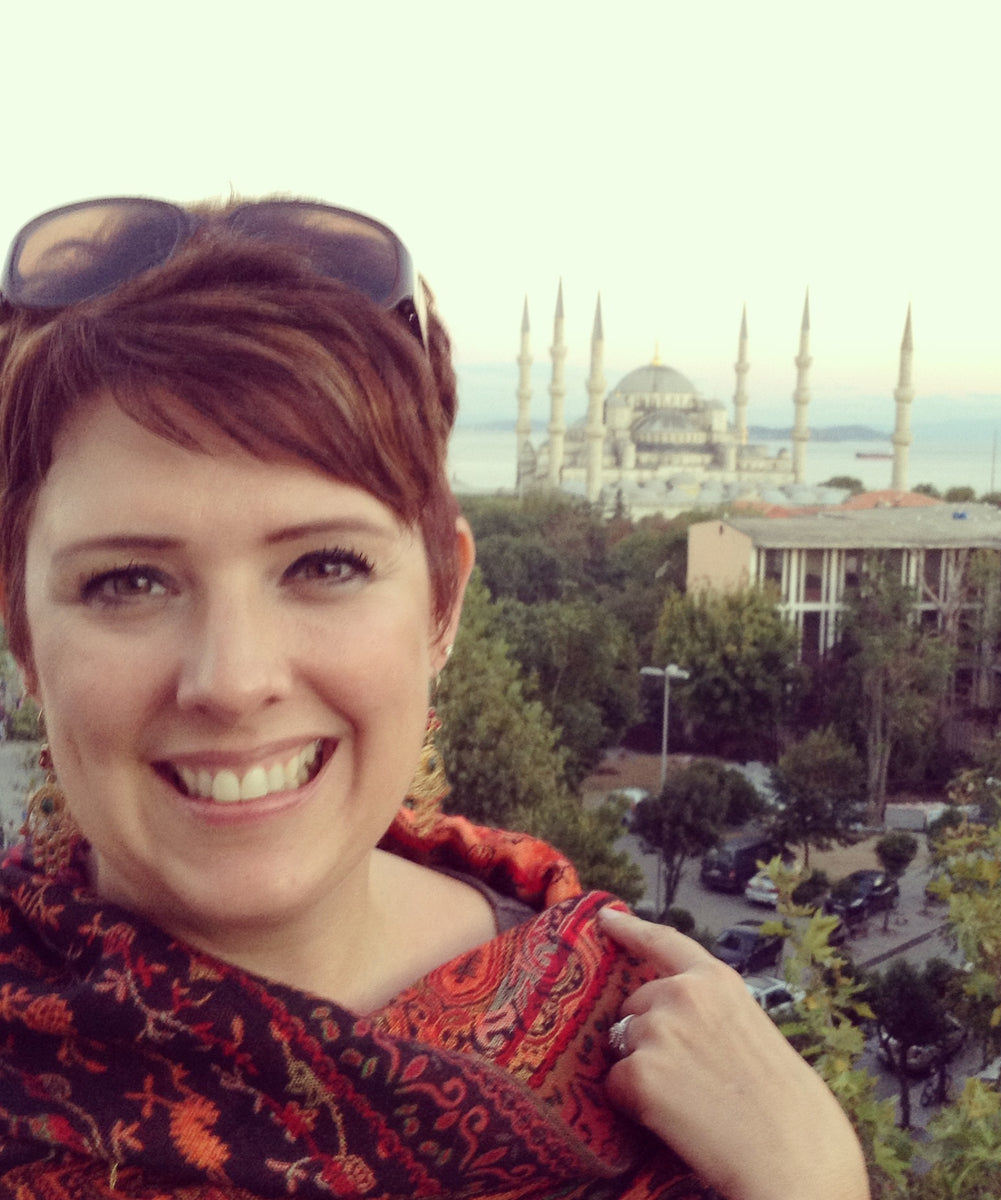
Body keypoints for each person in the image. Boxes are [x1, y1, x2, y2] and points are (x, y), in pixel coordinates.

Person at [0, 195, 868, 1200]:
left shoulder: (634, 1038)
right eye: (129, 582)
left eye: (323, 564)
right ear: (21, 630)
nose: (234, 682)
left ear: (444, 598)